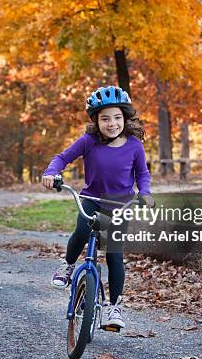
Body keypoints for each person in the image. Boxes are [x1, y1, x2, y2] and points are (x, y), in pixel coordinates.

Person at [41, 85, 155, 329]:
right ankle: (69, 265)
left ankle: (115, 307)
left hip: (120, 206)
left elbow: (142, 174)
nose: (111, 123)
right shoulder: (89, 141)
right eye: (105, 118)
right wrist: (52, 172)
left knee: (114, 255)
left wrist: (145, 193)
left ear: (125, 118)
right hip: (92, 199)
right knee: (81, 232)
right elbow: (62, 158)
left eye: (116, 117)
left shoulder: (135, 145)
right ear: (96, 121)